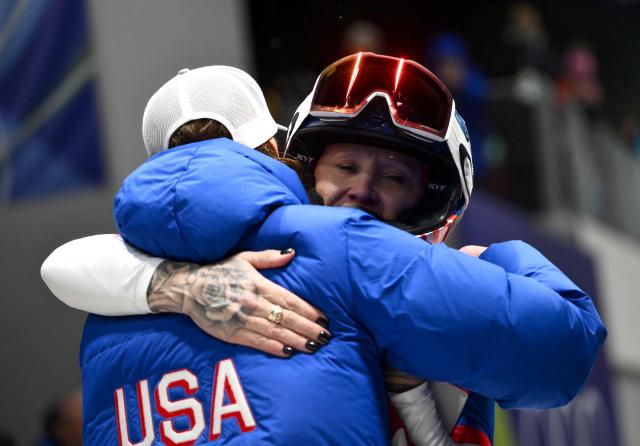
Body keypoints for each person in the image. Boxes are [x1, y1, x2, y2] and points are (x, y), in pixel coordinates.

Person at [42, 57, 605, 445]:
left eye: (393, 177)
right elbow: (564, 344)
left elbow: (62, 265)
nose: (363, 190)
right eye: (346, 167)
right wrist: (503, 263)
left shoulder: (108, 303)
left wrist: (171, 287)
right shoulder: (348, 253)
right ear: (283, 155)